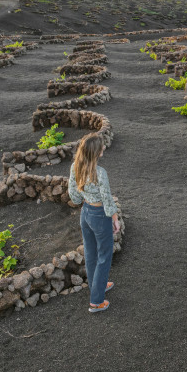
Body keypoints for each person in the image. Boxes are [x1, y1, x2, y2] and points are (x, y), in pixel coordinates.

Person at [68, 133, 121, 313]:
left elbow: (74, 197)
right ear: (96, 152)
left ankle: (97, 285)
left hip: (85, 213)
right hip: (100, 215)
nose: (104, 148)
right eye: (101, 147)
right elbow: (107, 199)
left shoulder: (75, 167)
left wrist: (85, 197)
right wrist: (115, 219)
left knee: (91, 254)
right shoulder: (100, 173)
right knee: (105, 255)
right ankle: (97, 301)